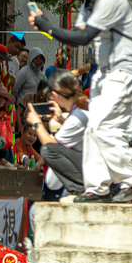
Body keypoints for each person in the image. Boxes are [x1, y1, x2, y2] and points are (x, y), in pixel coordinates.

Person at [29, 0, 132, 203]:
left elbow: (84, 38)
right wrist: (46, 25)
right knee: (94, 128)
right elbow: (75, 35)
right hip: (106, 74)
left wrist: (45, 25)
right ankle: (97, 187)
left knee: (103, 127)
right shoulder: (88, 3)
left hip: (125, 71)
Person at [26, 70, 88, 200]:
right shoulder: (77, 111)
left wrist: (37, 123)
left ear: (54, 94)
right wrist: (60, 118)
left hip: (87, 172)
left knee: (48, 150)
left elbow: (50, 144)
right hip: (84, 165)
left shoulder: (77, 116)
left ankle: (79, 190)